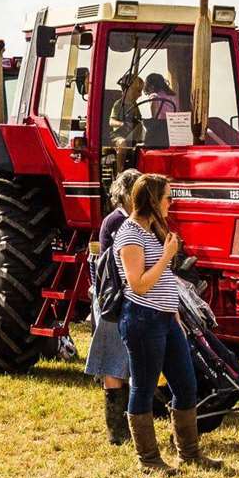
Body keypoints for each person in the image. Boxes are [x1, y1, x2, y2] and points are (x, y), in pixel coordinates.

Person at [116, 173, 222, 473]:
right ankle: (149, 459)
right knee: (144, 389)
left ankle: (189, 453)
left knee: (186, 385)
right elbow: (138, 284)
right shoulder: (130, 235)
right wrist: (166, 256)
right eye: (167, 198)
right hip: (142, 320)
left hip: (166, 320)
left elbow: (162, 281)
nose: (171, 204)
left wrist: (174, 312)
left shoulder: (151, 232)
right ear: (152, 199)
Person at [85, 168, 140, 446]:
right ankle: (117, 431)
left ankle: (128, 426)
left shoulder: (132, 221)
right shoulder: (116, 221)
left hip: (128, 299)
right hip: (115, 301)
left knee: (126, 364)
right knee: (114, 364)